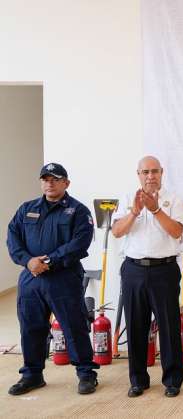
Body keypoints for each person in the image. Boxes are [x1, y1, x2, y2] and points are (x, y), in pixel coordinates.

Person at [6, 163, 99, 395]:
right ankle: (32, 375)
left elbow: (79, 244)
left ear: (66, 183)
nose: (49, 183)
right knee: (31, 327)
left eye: (55, 179)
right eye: (45, 179)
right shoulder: (26, 209)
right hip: (31, 279)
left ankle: (86, 374)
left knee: (73, 326)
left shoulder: (78, 211)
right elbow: (13, 238)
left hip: (63, 278)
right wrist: (28, 262)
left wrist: (47, 262)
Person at [111, 156, 183, 398]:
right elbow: (116, 231)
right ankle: (138, 380)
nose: (150, 176)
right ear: (138, 174)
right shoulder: (127, 199)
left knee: (168, 326)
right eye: (145, 172)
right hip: (133, 269)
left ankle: (173, 379)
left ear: (162, 172)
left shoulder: (173, 199)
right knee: (135, 326)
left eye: (154, 171)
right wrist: (135, 211)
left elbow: (177, 232)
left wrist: (155, 209)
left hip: (164, 270)